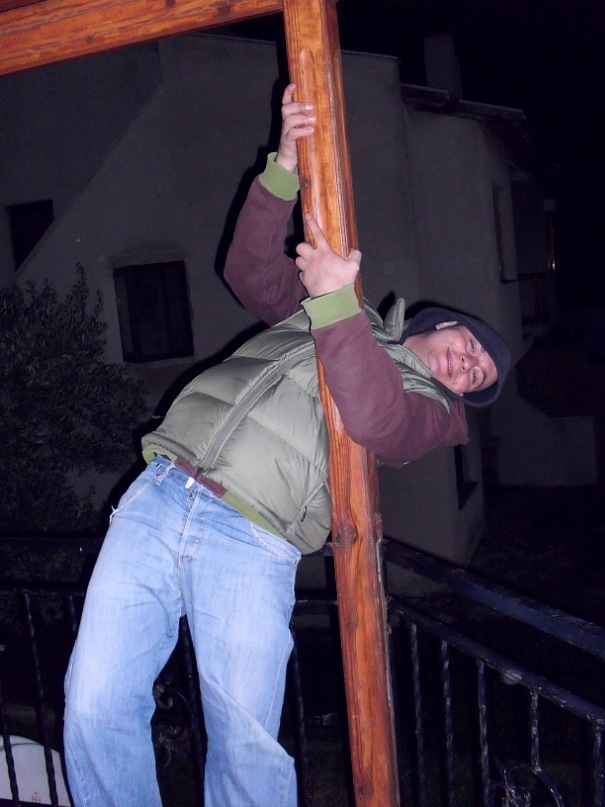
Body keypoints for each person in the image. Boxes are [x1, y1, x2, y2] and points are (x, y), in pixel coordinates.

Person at [63, 84, 511, 807]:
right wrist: (285, 168)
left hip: (253, 538)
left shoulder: (430, 411)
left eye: (477, 377)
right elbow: (248, 271)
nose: (468, 366)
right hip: (159, 492)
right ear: (440, 324)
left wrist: (334, 301)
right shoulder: (344, 309)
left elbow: (375, 419)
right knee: (94, 704)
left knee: (246, 749)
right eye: (472, 347)